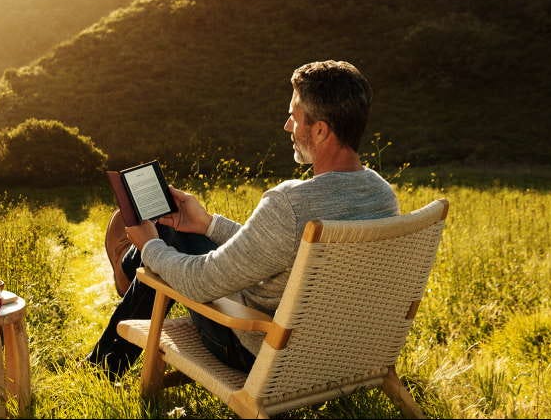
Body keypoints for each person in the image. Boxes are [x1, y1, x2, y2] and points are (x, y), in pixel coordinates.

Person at [87, 60, 400, 376]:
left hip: (259, 352)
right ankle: (130, 277)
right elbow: (287, 252)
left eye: (293, 116)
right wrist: (209, 224)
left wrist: (150, 246)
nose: (287, 126)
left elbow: (200, 283)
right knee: (182, 232)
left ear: (319, 130)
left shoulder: (290, 203)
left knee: (165, 239)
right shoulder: (382, 195)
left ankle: (119, 312)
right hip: (338, 354)